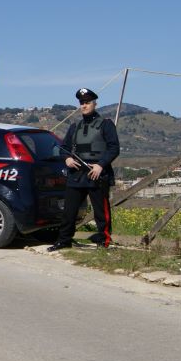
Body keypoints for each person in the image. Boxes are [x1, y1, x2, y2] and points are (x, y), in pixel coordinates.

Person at [48, 88, 120, 251]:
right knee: (69, 211)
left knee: (101, 211)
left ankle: (104, 241)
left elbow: (114, 148)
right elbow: (64, 148)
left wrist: (101, 165)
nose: (84, 105)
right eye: (82, 103)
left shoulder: (106, 124)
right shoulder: (75, 126)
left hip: (97, 173)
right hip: (77, 174)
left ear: (95, 104)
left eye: (87, 102)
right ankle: (64, 240)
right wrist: (67, 159)